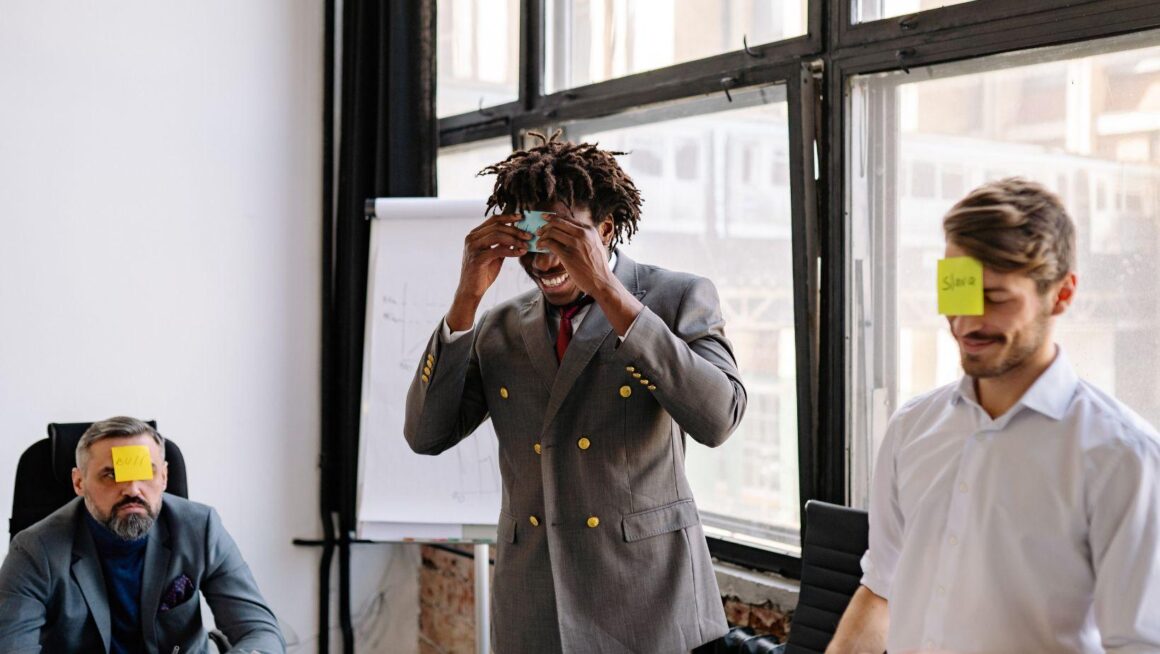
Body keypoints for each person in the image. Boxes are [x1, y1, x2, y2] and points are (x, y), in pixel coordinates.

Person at [404, 133, 747, 652]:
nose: (543, 262)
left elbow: (719, 417)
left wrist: (608, 290)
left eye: (562, 239)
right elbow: (426, 435)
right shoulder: (498, 327)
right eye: (531, 241)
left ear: (604, 229)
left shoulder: (676, 297)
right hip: (533, 607)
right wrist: (465, 300)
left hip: (648, 601)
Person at [828, 178, 1160, 654]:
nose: (965, 322)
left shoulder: (1123, 457)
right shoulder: (911, 428)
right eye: (957, 291)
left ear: (1062, 294)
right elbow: (881, 589)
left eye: (996, 297)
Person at [0, 416, 285, 653]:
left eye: (145, 472)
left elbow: (260, 631)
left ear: (164, 477)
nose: (132, 489)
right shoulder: (34, 548)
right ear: (79, 482)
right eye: (111, 475)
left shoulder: (202, 528)